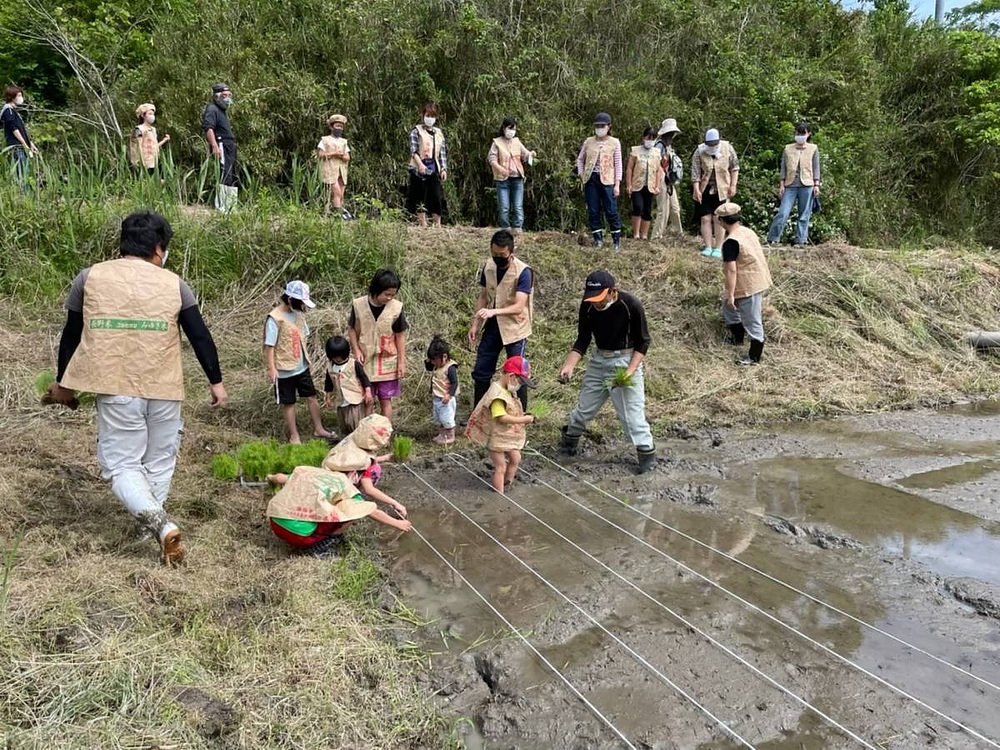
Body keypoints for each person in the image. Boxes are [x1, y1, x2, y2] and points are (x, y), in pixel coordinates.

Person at [46, 211, 227, 566]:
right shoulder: (174, 284)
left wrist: (63, 383)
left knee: (122, 465)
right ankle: (150, 530)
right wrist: (216, 381)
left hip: (116, 387)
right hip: (164, 386)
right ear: (159, 247)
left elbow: (71, 334)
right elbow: (200, 335)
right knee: (159, 461)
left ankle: (160, 526)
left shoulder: (90, 277)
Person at [557, 270, 657, 474]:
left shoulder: (631, 306)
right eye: (592, 299)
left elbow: (644, 341)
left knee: (631, 417)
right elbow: (583, 338)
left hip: (625, 360)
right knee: (584, 409)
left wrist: (630, 371)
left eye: (600, 298)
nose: (596, 303)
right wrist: (569, 365)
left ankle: (647, 459)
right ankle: (568, 446)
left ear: (612, 292)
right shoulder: (587, 306)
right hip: (599, 359)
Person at [265, 465, 403, 559]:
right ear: (354, 475)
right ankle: (322, 545)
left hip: (275, 521)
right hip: (299, 535)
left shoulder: (315, 472)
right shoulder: (347, 487)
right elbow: (371, 511)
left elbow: (280, 478)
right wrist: (397, 523)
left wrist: (270, 477)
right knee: (353, 512)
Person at [468, 229, 533, 413]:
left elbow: (519, 306)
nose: (497, 257)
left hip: (515, 328)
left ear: (511, 252)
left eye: (501, 255)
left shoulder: (523, 272)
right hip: (493, 327)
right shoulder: (488, 267)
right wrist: (475, 324)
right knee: (481, 370)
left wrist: (493, 311)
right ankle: (478, 413)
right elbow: (483, 296)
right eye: (494, 253)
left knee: (517, 372)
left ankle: (519, 414)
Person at [263, 280, 334, 443]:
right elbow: (270, 346)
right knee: (289, 403)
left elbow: (302, 337)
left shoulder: (299, 314)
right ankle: (294, 435)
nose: (302, 306)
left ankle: (319, 428)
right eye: (300, 302)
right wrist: (271, 368)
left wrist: (307, 359)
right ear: (289, 299)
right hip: (283, 369)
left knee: (311, 396)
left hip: (301, 367)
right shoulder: (275, 319)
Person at [320, 414, 412, 530]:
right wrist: (395, 510)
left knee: (375, 467)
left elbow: (355, 461)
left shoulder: (354, 440)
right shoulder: (361, 462)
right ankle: (336, 533)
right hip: (335, 491)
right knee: (356, 507)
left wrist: (385, 458)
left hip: (326, 476)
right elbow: (369, 492)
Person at [465, 356, 536, 493]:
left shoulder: (508, 390)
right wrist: (524, 420)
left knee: (516, 458)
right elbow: (501, 417)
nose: (520, 385)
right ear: (511, 376)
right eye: (520, 381)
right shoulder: (497, 395)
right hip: (496, 438)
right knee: (501, 466)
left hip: (506, 435)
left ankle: (506, 484)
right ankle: (499, 494)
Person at [716, 203, 773, 365]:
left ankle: (754, 357)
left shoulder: (730, 242)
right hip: (757, 277)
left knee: (752, 319)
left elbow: (731, 271)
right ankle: (737, 337)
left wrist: (731, 295)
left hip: (749, 284)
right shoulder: (747, 231)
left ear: (721, 221)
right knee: (728, 309)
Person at [348, 268, 408, 422]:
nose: (389, 298)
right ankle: (367, 432)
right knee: (367, 399)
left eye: (392, 295)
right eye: (386, 294)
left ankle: (385, 434)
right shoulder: (358, 305)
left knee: (385, 400)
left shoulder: (396, 308)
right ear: (376, 289)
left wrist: (401, 362)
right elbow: (352, 329)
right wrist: (356, 350)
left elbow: (400, 336)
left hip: (387, 361)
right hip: (365, 359)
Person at [766, 123, 821, 247]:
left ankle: (801, 240)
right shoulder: (788, 148)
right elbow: (783, 168)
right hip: (790, 184)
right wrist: (781, 185)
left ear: (808, 134)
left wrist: (816, 185)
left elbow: (816, 167)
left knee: (804, 214)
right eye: (798, 133)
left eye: (803, 134)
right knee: (783, 212)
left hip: (807, 184)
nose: (800, 136)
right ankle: (773, 238)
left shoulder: (813, 148)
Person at [576, 112, 623, 251]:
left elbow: (618, 164)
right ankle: (598, 239)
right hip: (591, 179)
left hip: (608, 180)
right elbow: (580, 159)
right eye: (597, 126)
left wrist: (617, 184)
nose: (599, 128)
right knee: (593, 209)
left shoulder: (614, 142)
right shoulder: (589, 141)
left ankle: (616, 241)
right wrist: (581, 173)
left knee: (611, 210)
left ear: (609, 127)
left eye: (602, 126)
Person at [690, 128, 739, 258]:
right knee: (705, 218)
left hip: (722, 188)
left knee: (719, 218)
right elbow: (695, 173)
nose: (711, 146)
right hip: (704, 188)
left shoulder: (728, 148)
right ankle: (708, 246)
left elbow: (734, 168)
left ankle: (718, 247)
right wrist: (696, 189)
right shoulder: (699, 151)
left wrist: (733, 185)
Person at [488, 116, 536, 234]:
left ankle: (518, 228)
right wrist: (500, 169)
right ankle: (505, 228)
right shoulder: (497, 142)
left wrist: (531, 154)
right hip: (502, 179)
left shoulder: (517, 141)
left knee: (518, 206)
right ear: (504, 128)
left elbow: (525, 155)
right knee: (504, 207)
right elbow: (491, 159)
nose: (512, 131)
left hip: (517, 178)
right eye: (510, 128)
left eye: (514, 129)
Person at [406, 103, 448, 227]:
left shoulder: (439, 133)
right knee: (420, 195)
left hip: (434, 167)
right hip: (419, 167)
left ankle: (437, 223)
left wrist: (443, 169)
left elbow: (442, 153)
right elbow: (413, 150)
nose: (430, 118)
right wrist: (420, 165)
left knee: (436, 196)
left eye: (432, 116)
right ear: (423, 115)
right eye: (428, 115)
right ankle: (422, 223)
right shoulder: (416, 131)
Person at [323, 335, 372, 435]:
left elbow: (364, 378)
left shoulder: (354, 364)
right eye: (334, 357)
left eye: (340, 356)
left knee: (354, 422)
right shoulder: (330, 367)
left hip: (354, 400)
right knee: (344, 423)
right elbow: (328, 383)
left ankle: (359, 439)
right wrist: (327, 397)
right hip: (341, 400)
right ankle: (346, 441)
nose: (337, 359)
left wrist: (368, 391)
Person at [202, 83, 238, 213]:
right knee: (224, 174)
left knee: (232, 175)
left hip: (229, 145)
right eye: (224, 95)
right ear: (217, 96)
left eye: (229, 95)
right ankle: (222, 207)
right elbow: (209, 128)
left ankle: (231, 207)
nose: (228, 98)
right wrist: (215, 146)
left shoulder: (222, 111)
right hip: (221, 143)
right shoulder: (212, 109)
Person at [625, 126, 664, 241]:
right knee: (638, 207)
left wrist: (657, 185)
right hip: (637, 184)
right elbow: (629, 169)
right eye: (648, 137)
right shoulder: (635, 151)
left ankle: (644, 235)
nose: (650, 140)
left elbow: (658, 170)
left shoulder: (657, 153)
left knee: (647, 210)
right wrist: (629, 184)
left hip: (650, 185)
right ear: (644, 137)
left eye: (653, 138)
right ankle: (636, 233)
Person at [1, 85, 39, 190]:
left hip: (22, 146)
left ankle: (27, 195)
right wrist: (24, 144)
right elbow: (14, 130)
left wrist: (30, 143)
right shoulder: (8, 111)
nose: (21, 98)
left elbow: (22, 131)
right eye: (18, 95)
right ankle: (24, 196)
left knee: (26, 172)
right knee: (22, 173)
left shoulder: (14, 112)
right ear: (12, 97)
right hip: (17, 146)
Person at [651, 118, 684, 240]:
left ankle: (678, 234)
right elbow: (656, 163)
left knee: (675, 208)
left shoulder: (669, 146)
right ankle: (656, 236)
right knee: (663, 210)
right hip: (661, 178)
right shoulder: (659, 146)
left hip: (669, 180)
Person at [425, 335, 459, 445]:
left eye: (434, 360)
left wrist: (449, 395)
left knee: (447, 417)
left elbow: (454, 383)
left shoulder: (450, 368)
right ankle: (442, 434)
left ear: (444, 357)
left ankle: (450, 435)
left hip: (446, 398)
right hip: (437, 397)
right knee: (439, 417)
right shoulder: (437, 365)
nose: (433, 363)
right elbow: (428, 367)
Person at [316, 114, 352, 218]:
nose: (339, 128)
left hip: (341, 170)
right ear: (331, 127)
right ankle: (339, 213)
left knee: (341, 193)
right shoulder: (325, 140)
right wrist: (333, 153)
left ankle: (337, 214)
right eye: (337, 126)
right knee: (336, 192)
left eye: (341, 126)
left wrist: (340, 155)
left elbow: (347, 157)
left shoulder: (344, 142)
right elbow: (321, 155)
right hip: (330, 169)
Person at [129, 103, 170, 176]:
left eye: (153, 114)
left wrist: (165, 140)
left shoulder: (153, 129)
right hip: (144, 163)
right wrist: (142, 163)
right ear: (143, 115)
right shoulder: (138, 129)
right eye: (150, 114)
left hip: (154, 161)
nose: (152, 116)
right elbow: (139, 146)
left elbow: (154, 146)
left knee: (161, 180)